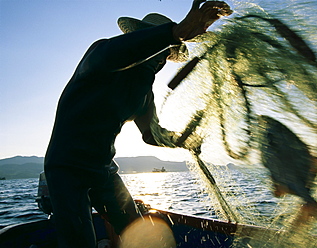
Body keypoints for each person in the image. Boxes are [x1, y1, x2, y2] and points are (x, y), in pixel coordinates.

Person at [44, 0, 232, 247]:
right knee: (79, 242)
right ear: (143, 41)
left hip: (103, 170)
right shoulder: (102, 54)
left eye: (167, 54)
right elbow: (120, 52)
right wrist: (174, 33)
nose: (162, 60)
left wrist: (183, 140)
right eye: (160, 49)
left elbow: (151, 134)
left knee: (139, 234)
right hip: (65, 166)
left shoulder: (143, 92)